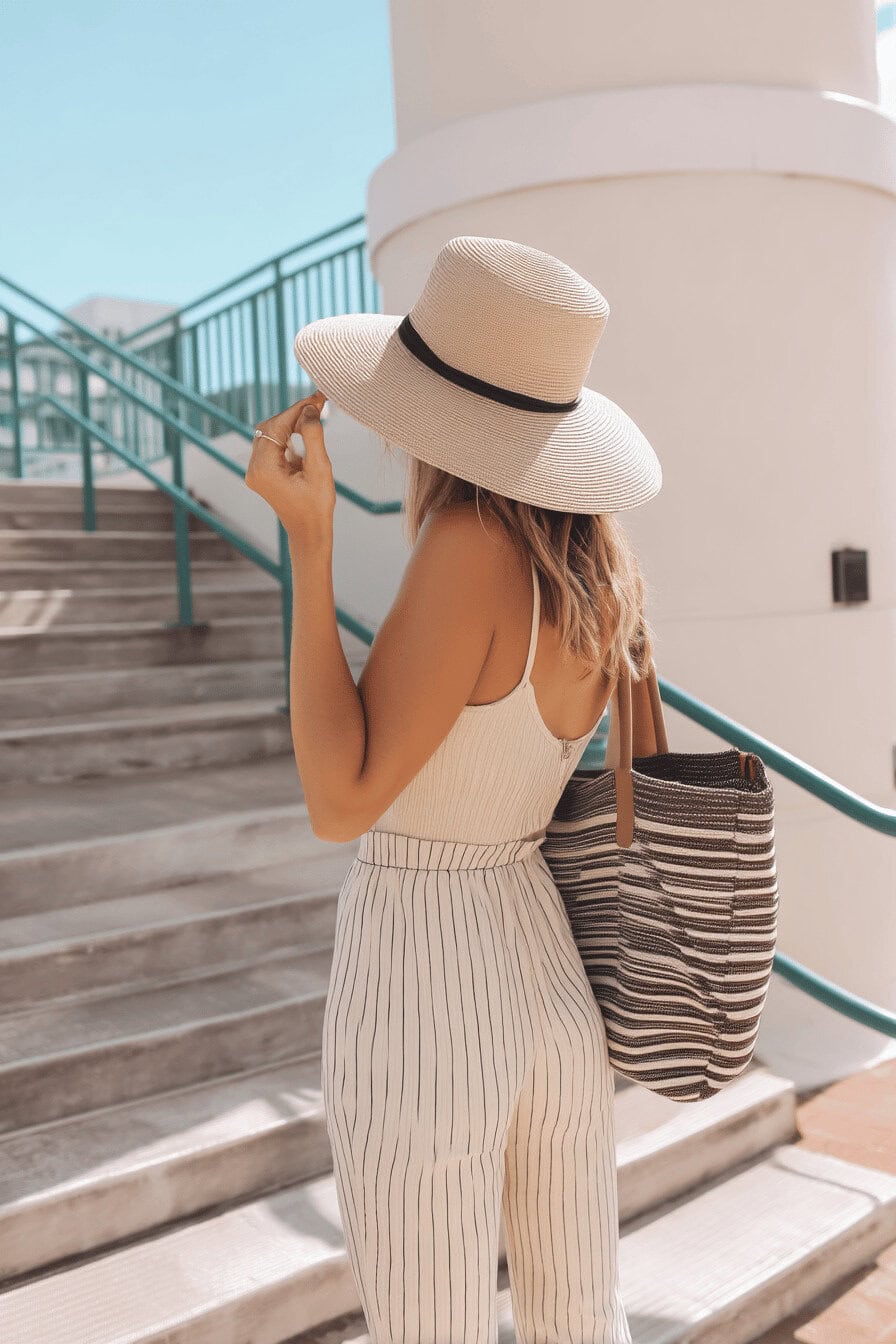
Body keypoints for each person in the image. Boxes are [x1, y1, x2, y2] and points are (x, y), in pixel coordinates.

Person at [245, 235, 662, 1344]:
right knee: (579, 1317)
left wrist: (310, 544)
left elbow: (341, 800)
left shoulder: (468, 547)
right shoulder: (592, 570)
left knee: (429, 1325)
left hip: (426, 968)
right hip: (543, 969)